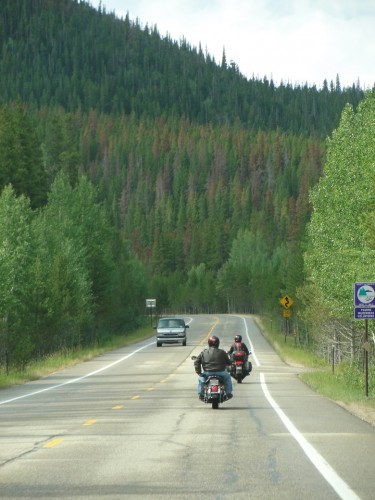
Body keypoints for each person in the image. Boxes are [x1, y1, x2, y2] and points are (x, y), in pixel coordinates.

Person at [194, 335, 233, 400]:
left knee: (201, 379)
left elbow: (196, 362)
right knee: (228, 377)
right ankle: (228, 393)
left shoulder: (204, 352)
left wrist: (199, 372)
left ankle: (201, 393)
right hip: (221, 372)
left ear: (209, 343)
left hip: (208, 372)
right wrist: (231, 363)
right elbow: (228, 362)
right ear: (218, 343)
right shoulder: (222, 352)